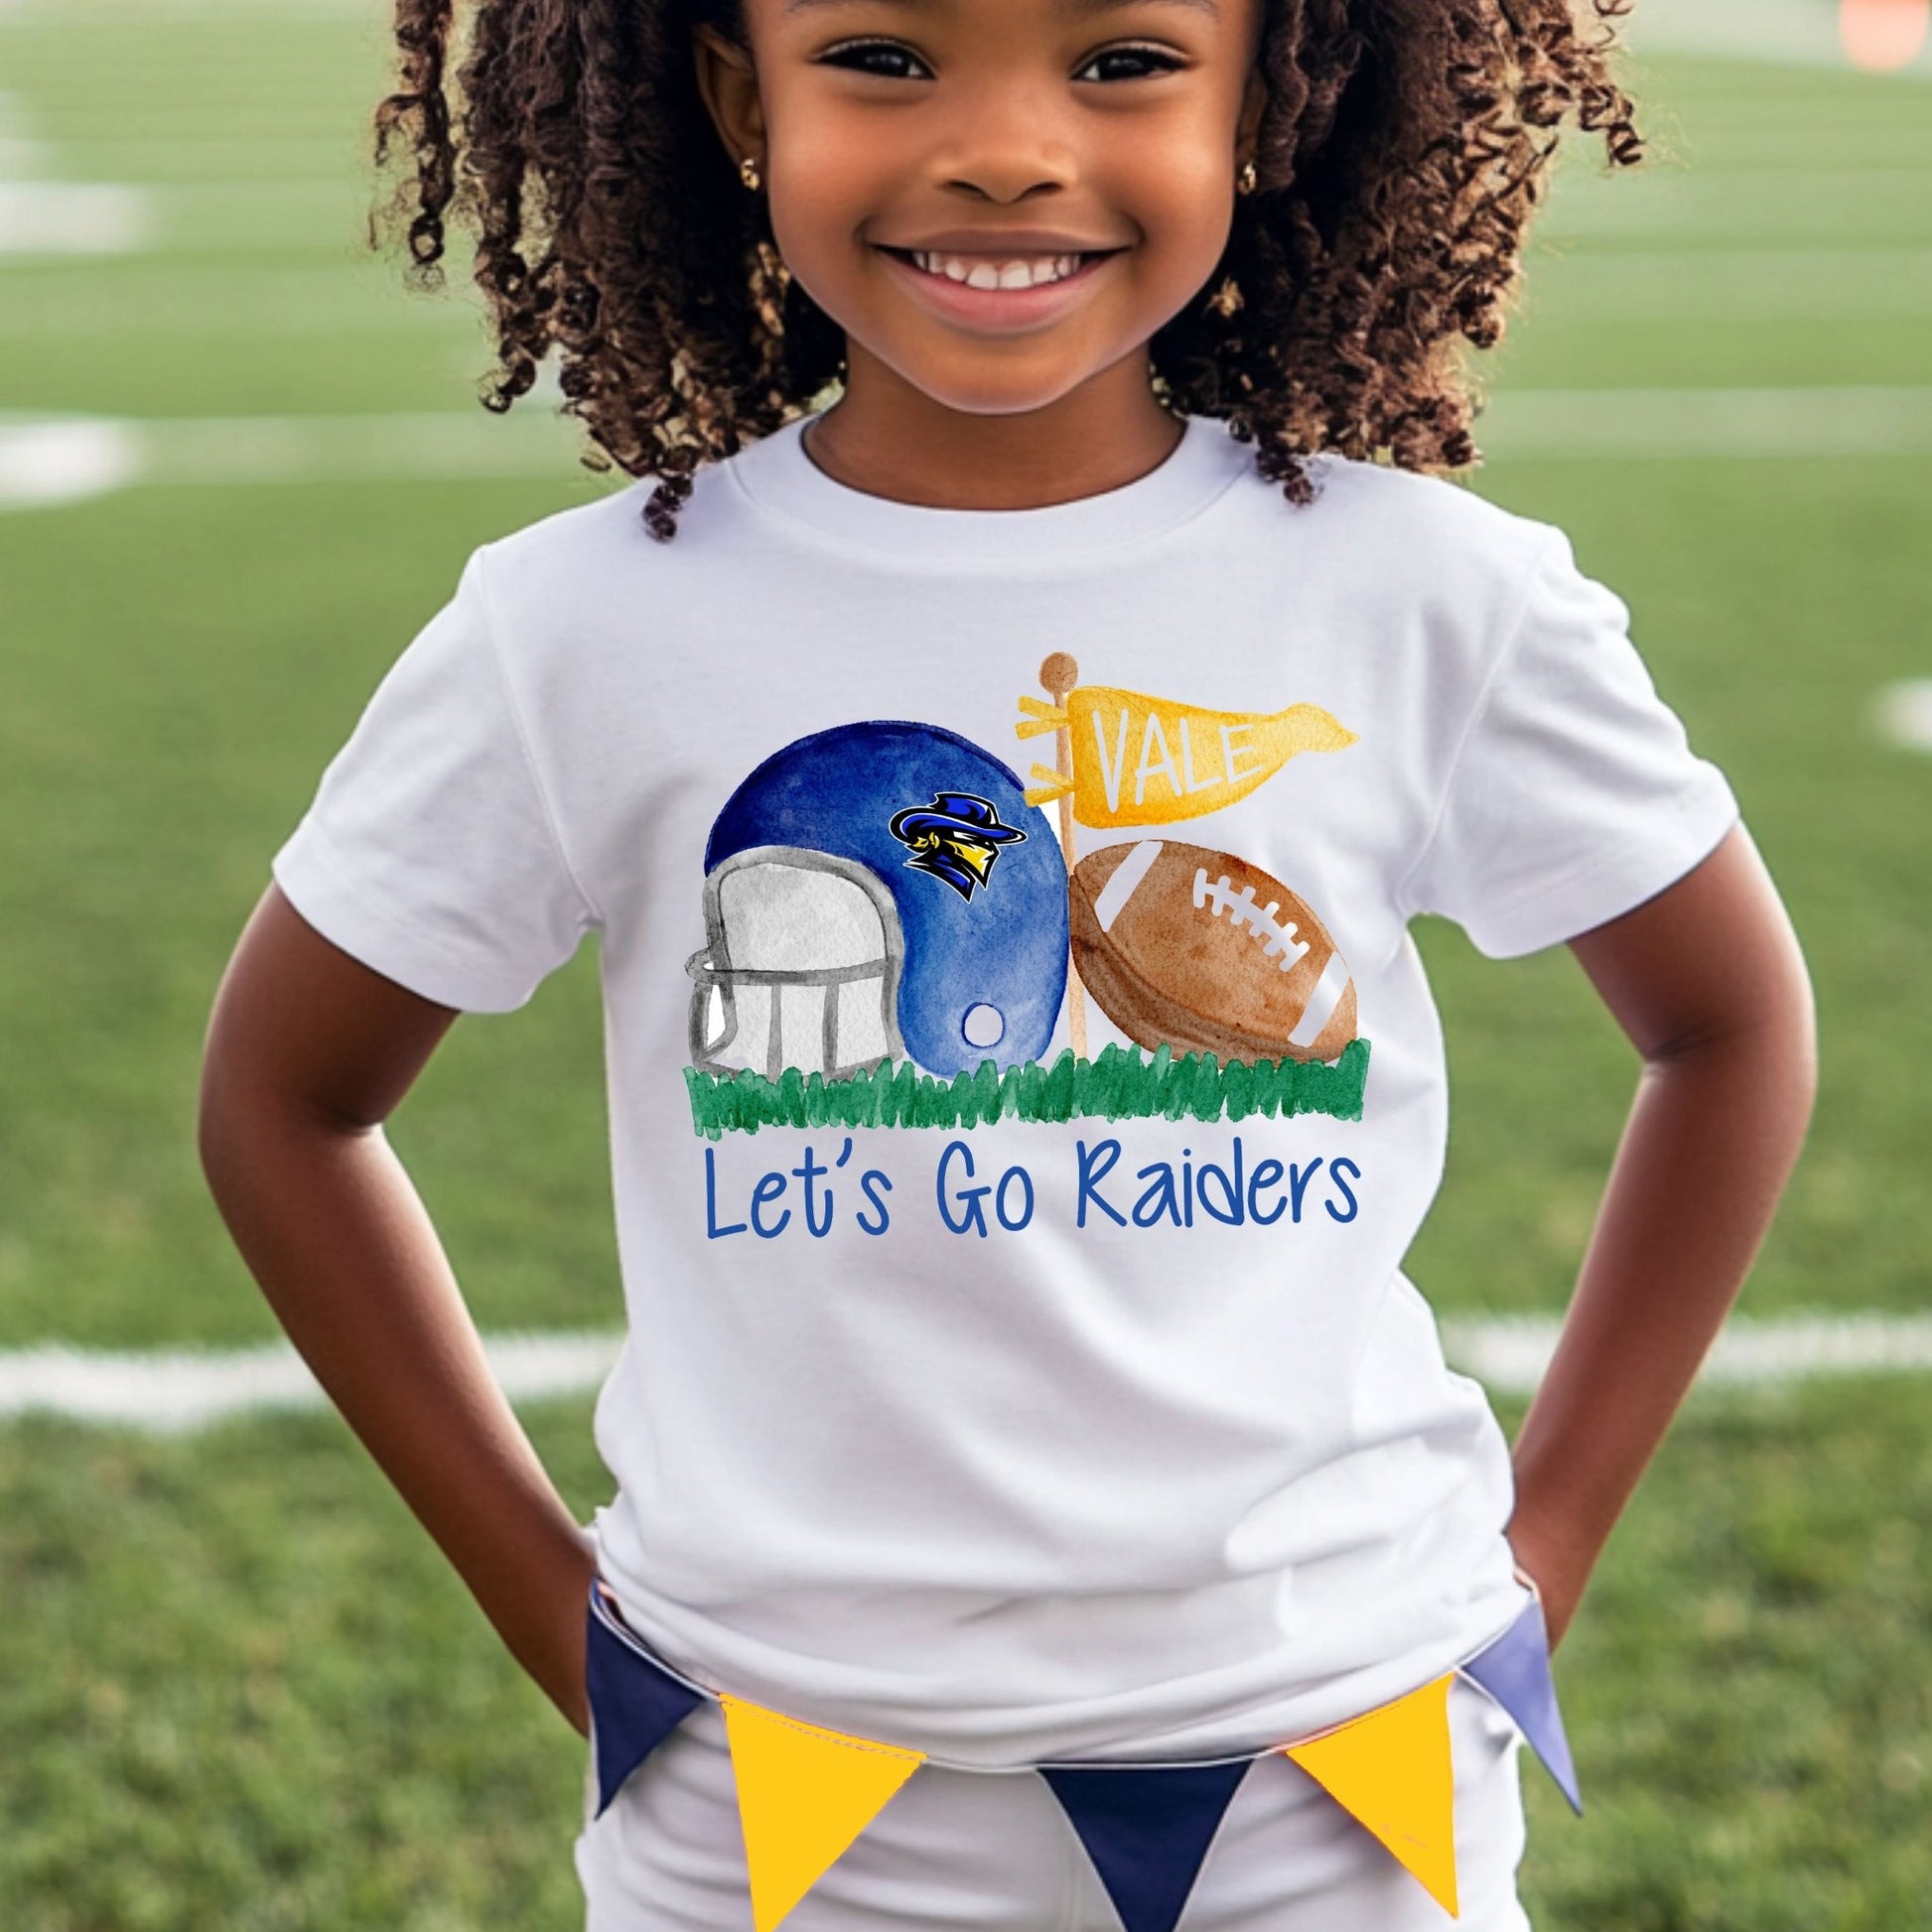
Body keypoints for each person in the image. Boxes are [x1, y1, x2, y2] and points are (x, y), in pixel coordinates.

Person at [197, 0, 1818, 1925]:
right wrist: (560, 1615)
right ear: (737, 95)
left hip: (1340, 1785)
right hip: (767, 1810)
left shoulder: (1431, 596)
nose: (1003, 147)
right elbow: (282, 1101)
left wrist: (1544, 1543)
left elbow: (1729, 1025)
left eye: (1122, 60)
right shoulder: (578, 629)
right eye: (883, 56)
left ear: (1265, 98)